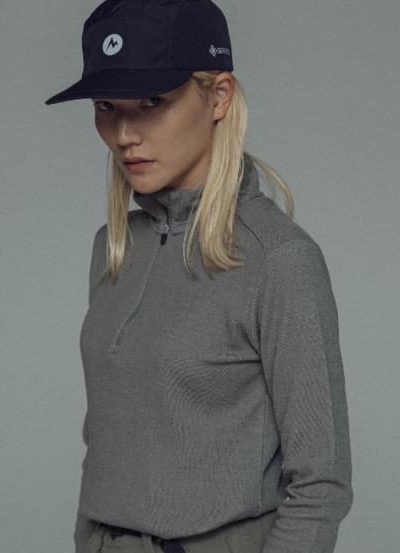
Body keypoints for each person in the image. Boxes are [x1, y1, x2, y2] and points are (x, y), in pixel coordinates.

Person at [46, 1, 353, 552]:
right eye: (106, 106)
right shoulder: (114, 248)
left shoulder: (279, 259)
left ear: (219, 96)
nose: (123, 134)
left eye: (152, 102)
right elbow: (107, 438)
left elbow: (320, 484)